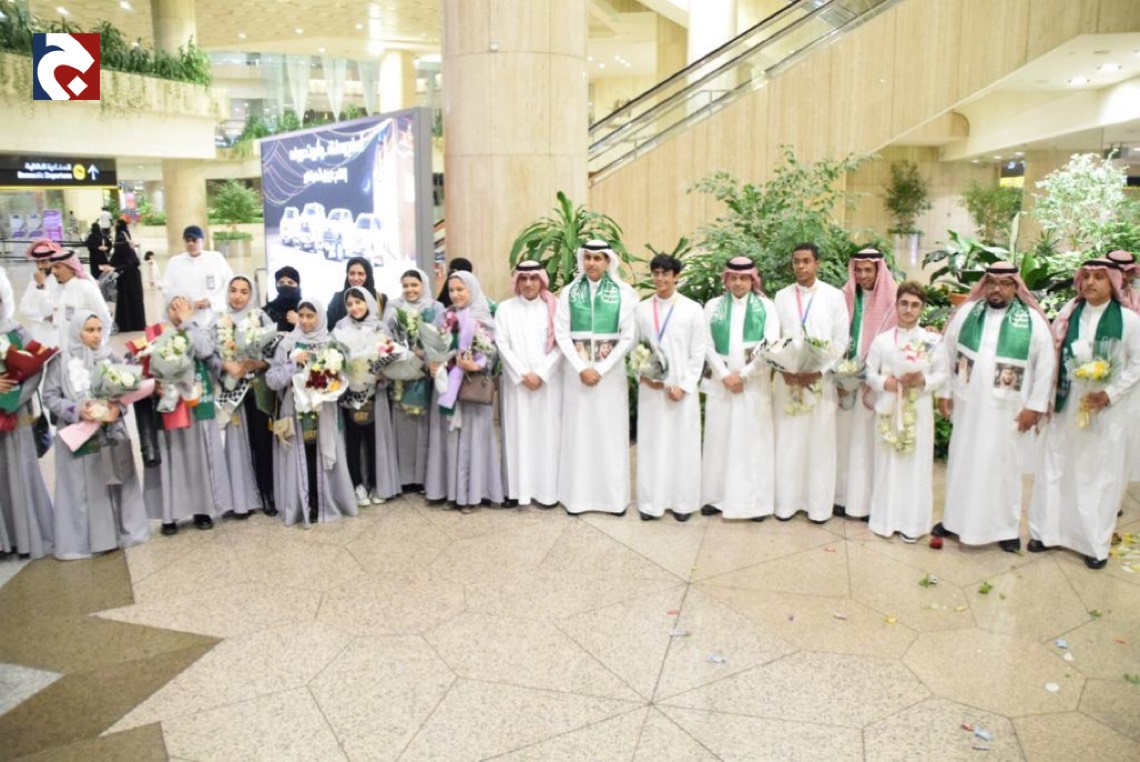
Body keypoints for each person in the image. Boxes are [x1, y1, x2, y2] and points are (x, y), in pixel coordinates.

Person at [935, 261, 1055, 552]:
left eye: (1004, 283)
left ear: (1016, 287)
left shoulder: (1032, 321)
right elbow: (945, 354)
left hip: (1009, 412)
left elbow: (1046, 367)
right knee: (962, 462)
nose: (997, 288)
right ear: (985, 285)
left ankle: (1005, 529)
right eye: (992, 282)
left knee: (1005, 468)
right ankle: (954, 521)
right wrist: (944, 392)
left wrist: (1035, 407)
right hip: (968, 407)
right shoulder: (967, 313)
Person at [1028, 259, 1140, 569]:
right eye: (1086, 276)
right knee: (1056, 466)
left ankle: (1093, 543)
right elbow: (1051, 355)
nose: (1090, 282)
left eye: (1099, 277)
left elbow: (1137, 364)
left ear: (1112, 283)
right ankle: (1046, 533)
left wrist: (1110, 393)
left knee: (1097, 475)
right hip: (1067, 405)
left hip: (1106, 411)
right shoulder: (1068, 315)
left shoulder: (1129, 320)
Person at [42, 311, 150, 559]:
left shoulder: (110, 357)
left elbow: (125, 393)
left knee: (114, 479)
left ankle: (120, 534)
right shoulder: (61, 361)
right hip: (77, 434)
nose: (96, 335)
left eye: (99, 329)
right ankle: (82, 541)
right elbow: (50, 397)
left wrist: (117, 409)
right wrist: (77, 410)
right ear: (76, 331)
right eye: (89, 330)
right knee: (80, 488)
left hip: (108, 432)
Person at [554, 240, 638, 516]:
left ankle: (612, 500)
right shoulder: (569, 292)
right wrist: (581, 367)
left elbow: (627, 337)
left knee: (609, 435)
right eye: (588, 257)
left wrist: (600, 369)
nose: (592, 263)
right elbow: (562, 333)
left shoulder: (624, 293)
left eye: (598, 258)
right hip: (576, 375)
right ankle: (577, 499)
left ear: (608, 261)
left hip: (609, 378)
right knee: (579, 434)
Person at [772, 243, 850, 523]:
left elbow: (841, 341)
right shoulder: (781, 296)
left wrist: (819, 371)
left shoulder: (834, 296)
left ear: (817, 263)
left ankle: (818, 507)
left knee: (819, 444)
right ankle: (786, 504)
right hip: (789, 381)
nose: (801, 266)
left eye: (806, 261)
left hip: (820, 382)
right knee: (789, 441)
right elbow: (774, 338)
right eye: (796, 261)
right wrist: (783, 368)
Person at [700, 257, 781, 521]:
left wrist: (744, 375)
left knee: (752, 442)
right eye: (733, 278)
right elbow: (706, 344)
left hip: (753, 385)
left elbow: (770, 344)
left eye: (743, 278)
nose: (738, 283)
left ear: (752, 279)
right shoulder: (713, 306)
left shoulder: (766, 306)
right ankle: (715, 498)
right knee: (719, 439)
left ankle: (755, 503)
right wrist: (725, 375)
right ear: (726, 279)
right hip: (721, 384)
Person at [865, 282, 947, 542]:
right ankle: (885, 521)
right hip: (889, 408)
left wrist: (922, 380)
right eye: (904, 303)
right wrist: (884, 383)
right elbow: (869, 373)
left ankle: (913, 525)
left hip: (918, 409)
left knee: (916, 465)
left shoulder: (932, 342)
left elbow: (943, 374)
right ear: (896, 305)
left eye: (914, 305)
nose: (908, 309)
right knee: (887, 464)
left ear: (922, 308)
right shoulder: (882, 340)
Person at [146, 293, 232, 535]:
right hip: (169, 403)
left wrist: (187, 323)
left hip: (196, 400)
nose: (178, 312)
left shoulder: (198, 330)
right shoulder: (156, 333)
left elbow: (205, 351)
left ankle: (202, 509)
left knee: (197, 455)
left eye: (183, 306)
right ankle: (170, 514)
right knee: (173, 455)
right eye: (173, 307)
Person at [266, 298, 357, 526]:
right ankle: (304, 503)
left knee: (322, 455)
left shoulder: (331, 343)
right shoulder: (287, 343)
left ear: (320, 317)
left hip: (325, 410)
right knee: (302, 456)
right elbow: (272, 380)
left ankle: (324, 501)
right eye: (302, 316)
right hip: (296, 411)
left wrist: (329, 380)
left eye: (310, 316)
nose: (305, 321)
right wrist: (293, 364)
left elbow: (345, 377)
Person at [634, 255, 708, 521]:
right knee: (652, 445)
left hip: (681, 391)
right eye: (656, 273)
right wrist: (641, 374)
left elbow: (698, 352)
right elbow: (634, 346)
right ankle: (651, 504)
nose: (660, 278)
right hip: (651, 390)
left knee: (682, 446)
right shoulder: (642, 309)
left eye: (665, 273)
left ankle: (682, 504)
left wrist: (685, 386)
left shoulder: (692, 309)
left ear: (676, 276)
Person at [426, 271, 505, 510]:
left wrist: (477, 365)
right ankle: (452, 493)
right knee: (451, 438)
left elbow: (494, 354)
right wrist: (434, 363)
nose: (455, 294)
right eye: (451, 290)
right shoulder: (444, 317)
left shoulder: (485, 318)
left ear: (472, 289)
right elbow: (433, 348)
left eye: (461, 289)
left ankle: (474, 495)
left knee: (475, 439)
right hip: (448, 387)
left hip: (473, 386)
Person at [835, 248, 897, 520]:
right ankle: (843, 498)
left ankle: (868, 503)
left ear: (878, 270)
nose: (862, 276)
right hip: (847, 381)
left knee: (869, 444)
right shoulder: (846, 296)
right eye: (858, 270)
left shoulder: (893, 299)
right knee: (845, 439)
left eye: (868, 270)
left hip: (876, 383)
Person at [495, 260, 563, 508]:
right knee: (518, 436)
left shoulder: (554, 308)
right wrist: (523, 374)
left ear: (541, 280)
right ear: (517, 282)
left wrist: (542, 374)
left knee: (546, 436)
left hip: (548, 384)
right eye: (523, 278)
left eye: (534, 278)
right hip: (518, 386)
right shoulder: (505, 309)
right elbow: (502, 344)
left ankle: (547, 493)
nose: (528, 283)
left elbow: (561, 344)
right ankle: (517, 492)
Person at [212, 275, 278, 518]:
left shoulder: (260, 317)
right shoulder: (219, 321)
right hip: (232, 392)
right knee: (237, 445)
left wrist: (258, 363)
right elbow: (209, 356)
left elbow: (275, 353)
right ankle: (241, 500)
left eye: (244, 291)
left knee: (262, 443)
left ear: (252, 295)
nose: (237, 296)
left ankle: (267, 493)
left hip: (258, 390)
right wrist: (227, 366)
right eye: (233, 290)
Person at [332, 286, 402, 506]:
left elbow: (391, 357)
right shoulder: (340, 327)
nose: (354, 307)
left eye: (358, 302)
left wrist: (382, 374)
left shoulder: (380, 327)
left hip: (374, 394)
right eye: (350, 304)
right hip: (350, 396)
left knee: (374, 441)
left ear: (369, 303)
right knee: (352, 442)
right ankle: (357, 485)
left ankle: (375, 483)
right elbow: (334, 356)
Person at [0, 295, 54, 559]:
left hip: (17, 414)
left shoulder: (17, 332)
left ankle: (26, 536)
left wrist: (14, 400)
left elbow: (36, 367)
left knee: (20, 468)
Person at [387, 268, 443, 492]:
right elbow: (386, 339)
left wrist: (425, 355)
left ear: (424, 285)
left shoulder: (435, 307)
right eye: (405, 285)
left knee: (425, 427)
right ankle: (404, 477)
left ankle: (423, 477)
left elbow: (442, 338)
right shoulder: (394, 307)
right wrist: (404, 353)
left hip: (426, 376)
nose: (409, 290)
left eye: (414, 285)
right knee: (403, 426)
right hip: (402, 375)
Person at [162, 225, 233, 326]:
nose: (191, 243)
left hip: (213, 314)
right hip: (185, 317)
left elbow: (229, 283)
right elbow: (167, 289)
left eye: (195, 240)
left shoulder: (216, 258)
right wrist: (181, 303)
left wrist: (212, 301)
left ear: (203, 241)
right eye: (187, 240)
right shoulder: (175, 262)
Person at [46, 248, 112, 343]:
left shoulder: (85, 287)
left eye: (57, 267)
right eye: (52, 267)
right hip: (64, 346)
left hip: (85, 348)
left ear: (71, 268)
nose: (53, 271)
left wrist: (99, 344)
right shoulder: (58, 290)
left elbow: (104, 318)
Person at [327, 257, 393, 328]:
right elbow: (330, 327)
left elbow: (388, 328)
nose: (356, 278)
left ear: (368, 275)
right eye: (352, 273)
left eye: (360, 274)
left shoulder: (381, 299)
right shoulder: (338, 299)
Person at [19, 240, 62, 345]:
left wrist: (41, 286)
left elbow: (51, 311)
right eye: (37, 262)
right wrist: (42, 317)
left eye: (44, 262)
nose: (40, 267)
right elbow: (22, 309)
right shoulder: (34, 280)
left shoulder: (60, 281)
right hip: (37, 335)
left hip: (57, 337)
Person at [110, 218, 146, 332]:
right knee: (133, 300)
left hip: (127, 277)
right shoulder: (125, 235)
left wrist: (114, 267)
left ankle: (127, 325)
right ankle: (136, 324)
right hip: (131, 276)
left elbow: (120, 258)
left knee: (126, 301)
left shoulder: (120, 238)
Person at [264, 266, 303, 332]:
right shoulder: (268, 309)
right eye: (281, 283)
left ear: (298, 285)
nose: (285, 285)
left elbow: (316, 332)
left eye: (290, 283)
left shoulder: (306, 308)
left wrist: (300, 322)